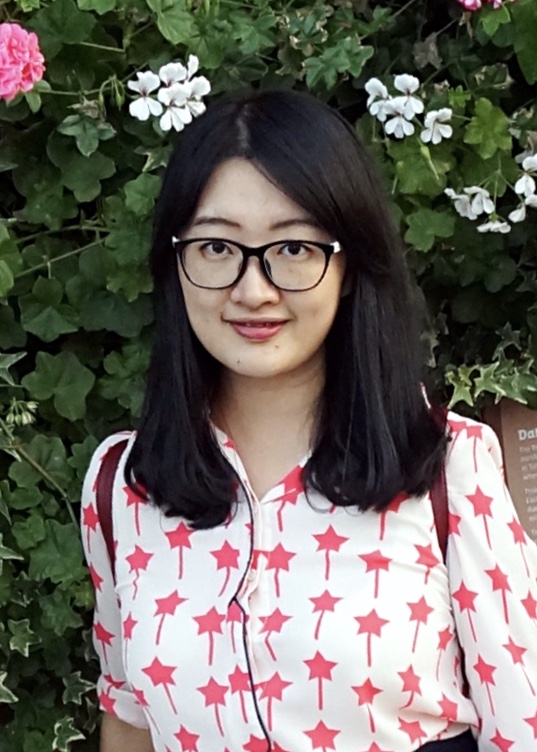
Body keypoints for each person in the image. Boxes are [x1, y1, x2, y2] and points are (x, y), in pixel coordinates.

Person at [81, 89, 537, 752]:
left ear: (348, 266)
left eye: (294, 248)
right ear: (175, 261)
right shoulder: (123, 483)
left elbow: (522, 723)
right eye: (216, 246)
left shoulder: (447, 465)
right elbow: (128, 715)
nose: (253, 289)